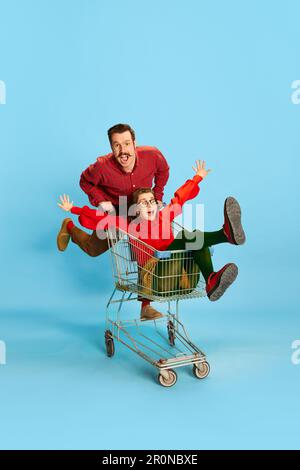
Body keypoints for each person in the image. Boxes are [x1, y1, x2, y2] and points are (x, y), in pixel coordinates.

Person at [58, 161, 246, 320]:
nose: (150, 204)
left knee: (194, 239)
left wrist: (198, 176)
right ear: (135, 210)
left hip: (182, 278)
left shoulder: (164, 216)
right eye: (144, 202)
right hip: (155, 278)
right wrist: (73, 209)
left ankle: (211, 280)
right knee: (191, 239)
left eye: (152, 201)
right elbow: (101, 218)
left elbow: (180, 197)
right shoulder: (130, 226)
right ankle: (224, 235)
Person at [57, 123, 170, 257]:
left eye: (127, 143)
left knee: (149, 250)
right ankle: (69, 227)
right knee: (93, 249)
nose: (123, 150)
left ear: (134, 143)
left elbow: (163, 170)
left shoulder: (152, 155)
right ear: (112, 147)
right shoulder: (101, 166)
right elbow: (85, 181)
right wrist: (101, 201)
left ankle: (148, 277)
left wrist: (157, 196)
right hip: (117, 213)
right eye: (117, 145)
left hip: (144, 210)